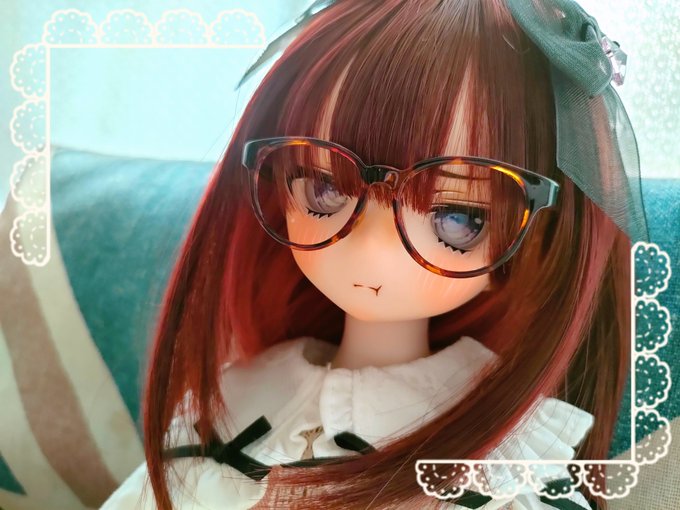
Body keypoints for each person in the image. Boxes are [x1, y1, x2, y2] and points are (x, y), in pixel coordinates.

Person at [102, 0, 645, 508]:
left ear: (536, 236)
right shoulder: (235, 398)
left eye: (457, 218)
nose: (373, 251)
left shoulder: (500, 456)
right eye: (324, 189)